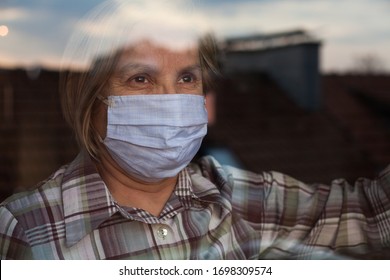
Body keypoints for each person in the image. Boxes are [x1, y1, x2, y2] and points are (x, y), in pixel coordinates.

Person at [1, 0, 390, 260]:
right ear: (91, 101)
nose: (171, 99)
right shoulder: (26, 230)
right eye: (140, 79)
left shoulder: (240, 200)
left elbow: (372, 211)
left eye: (187, 77)